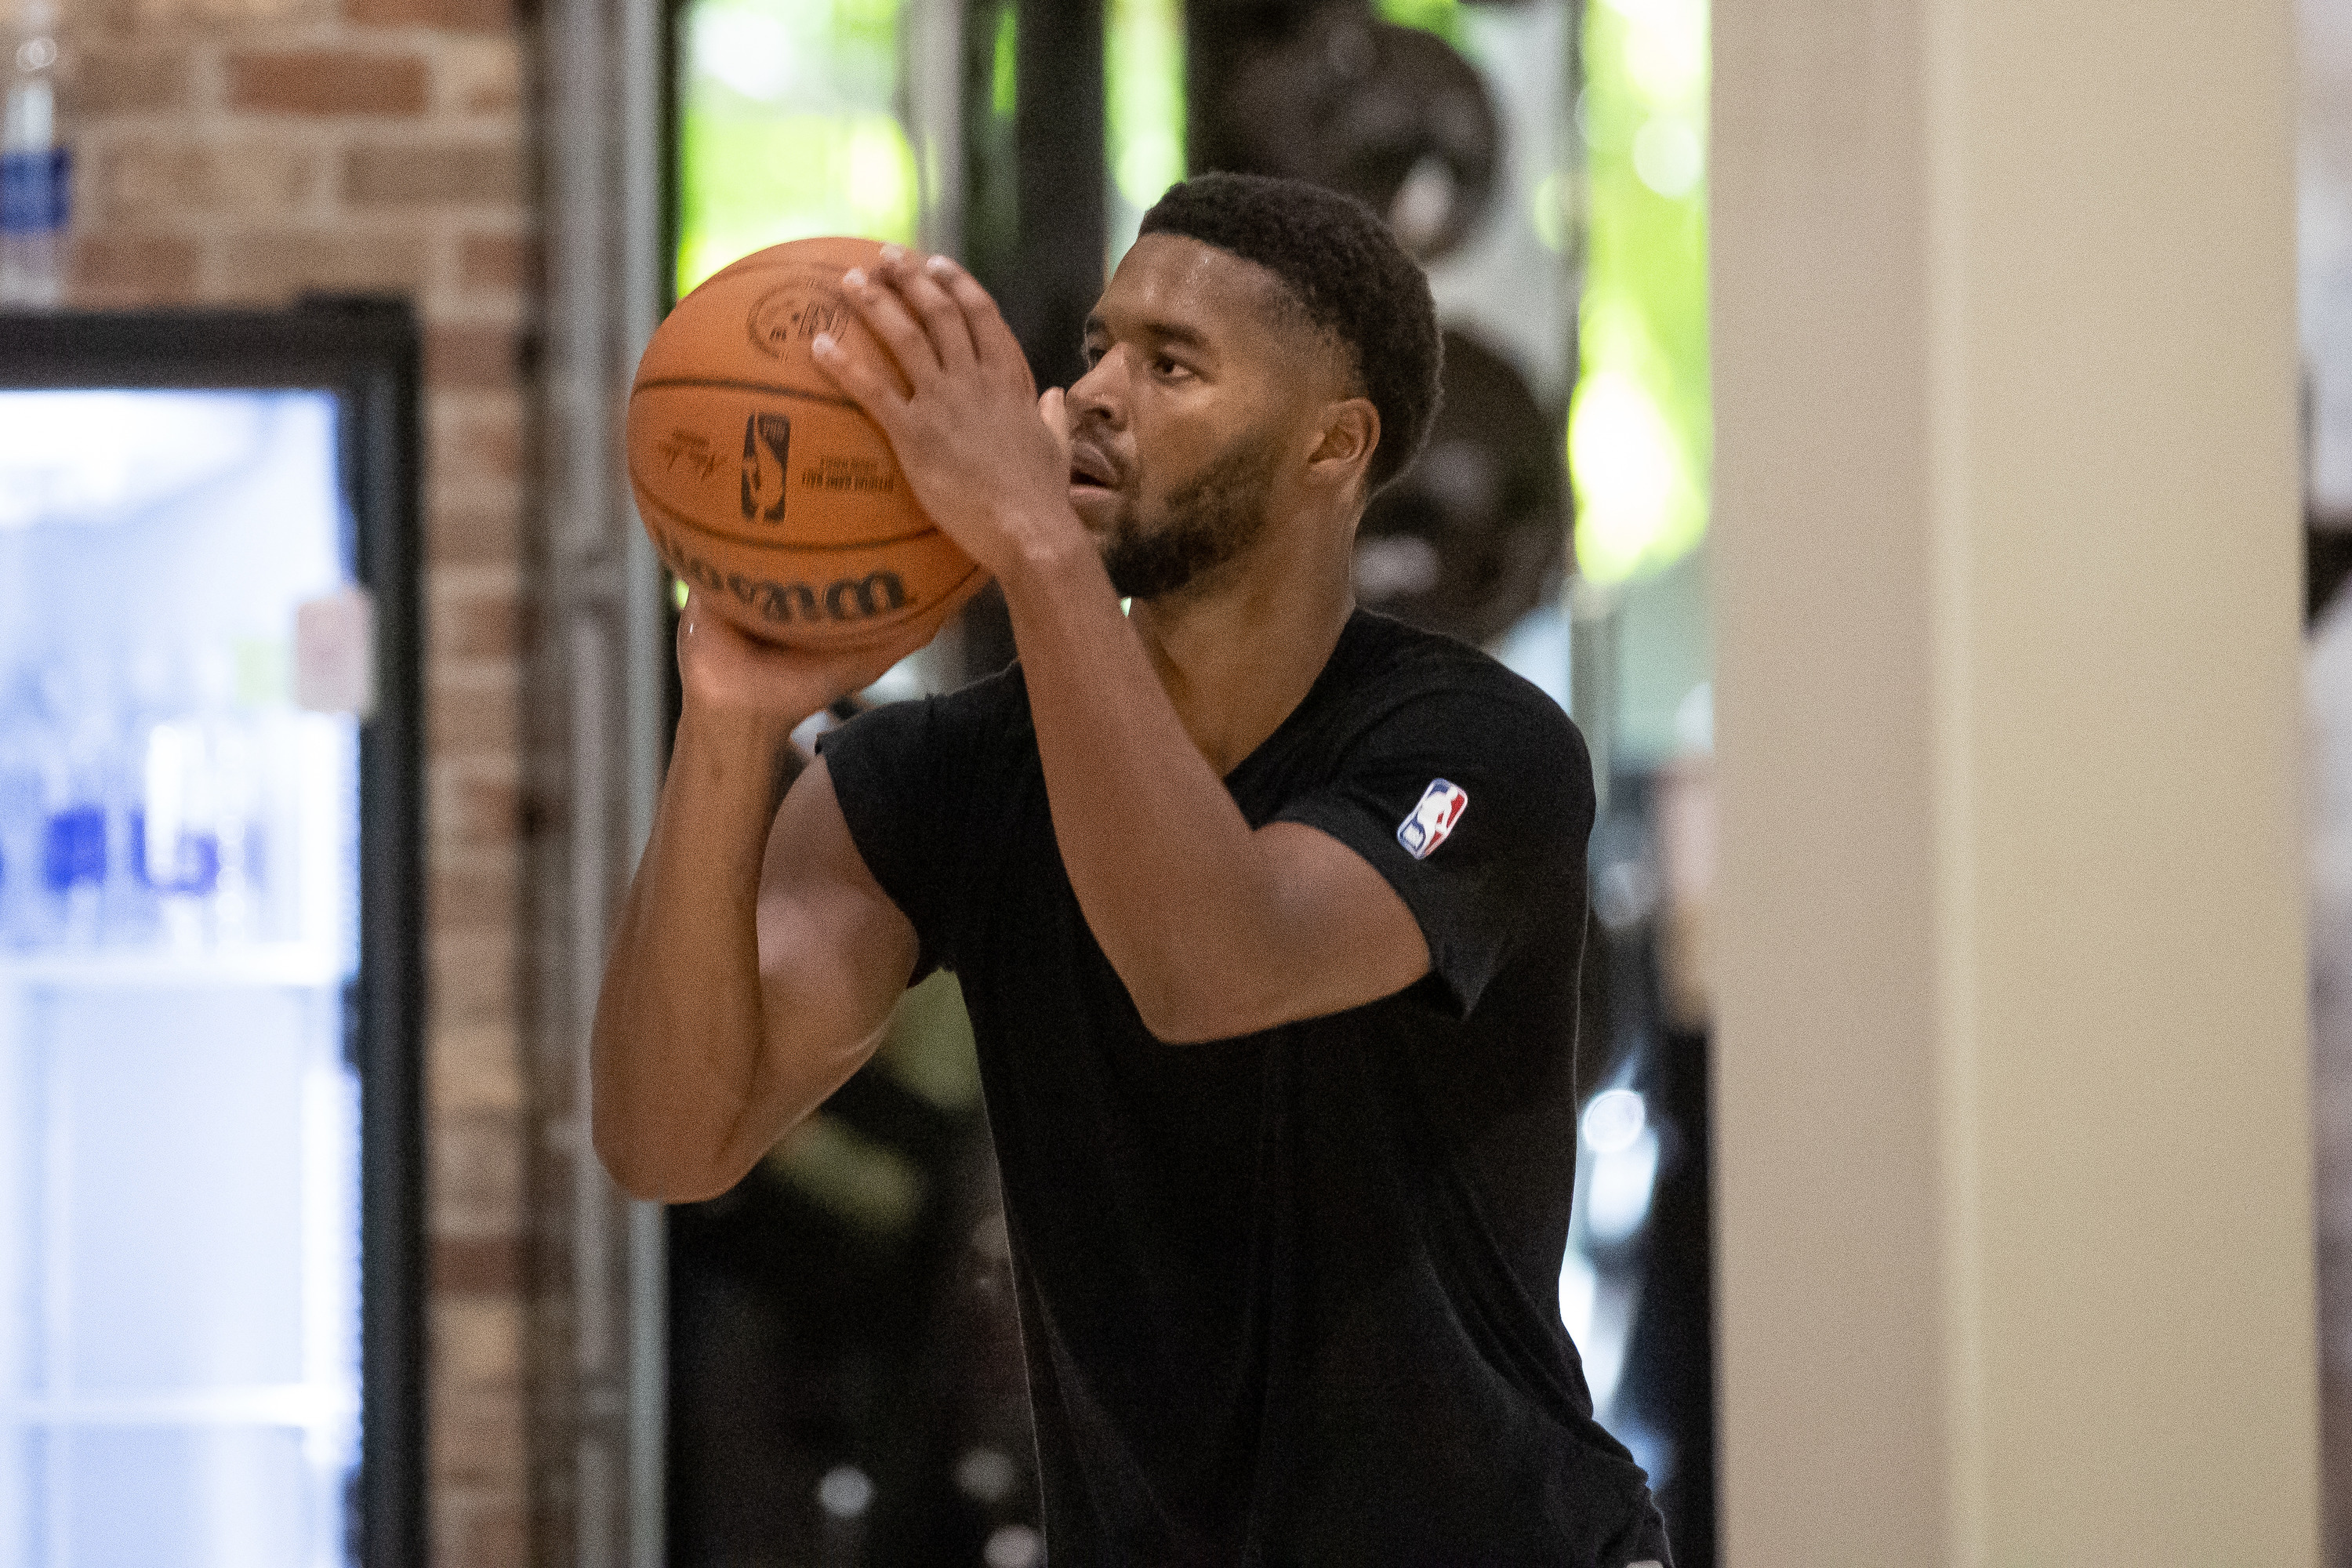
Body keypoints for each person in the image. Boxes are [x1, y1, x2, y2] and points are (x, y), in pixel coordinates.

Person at [592, 172, 1672, 1567]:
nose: (1094, 393)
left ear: (1332, 447)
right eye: (1099, 347)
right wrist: (731, 723)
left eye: (1172, 366)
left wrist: (1032, 543)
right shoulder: (946, 780)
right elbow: (670, 1139)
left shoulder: (1478, 752)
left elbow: (1211, 963)